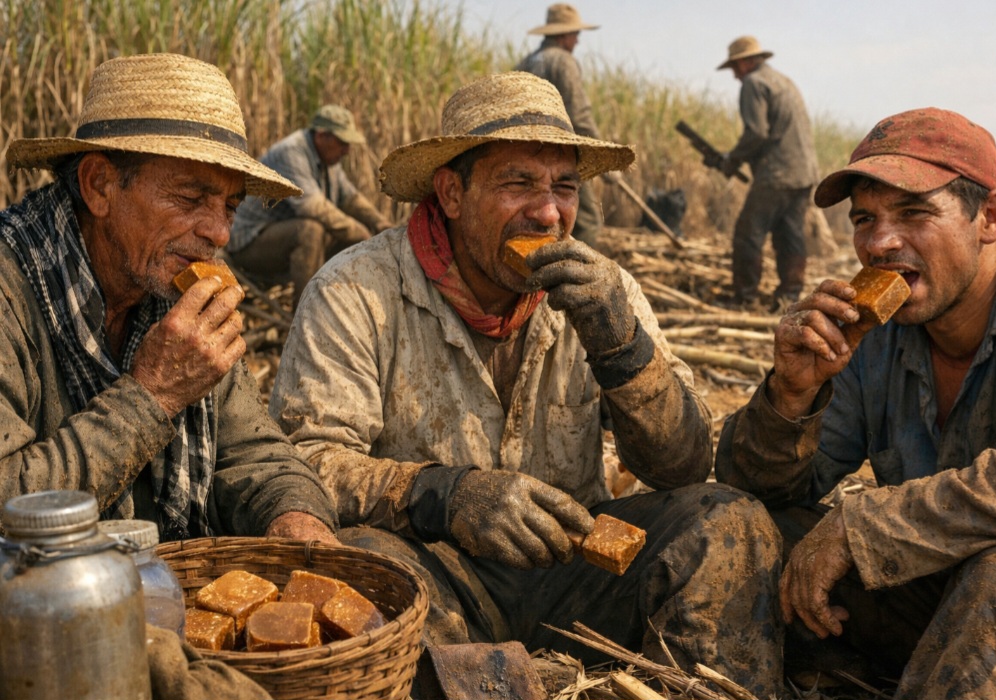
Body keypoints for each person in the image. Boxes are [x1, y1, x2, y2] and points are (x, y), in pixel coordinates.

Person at [268, 71, 784, 696]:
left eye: (563, 187)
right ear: (452, 194)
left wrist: (621, 346)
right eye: (518, 183)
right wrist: (447, 495)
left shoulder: (605, 291)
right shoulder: (355, 289)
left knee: (730, 523)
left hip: (577, 567)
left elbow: (683, 466)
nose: (548, 212)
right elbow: (303, 462)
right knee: (354, 585)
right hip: (435, 573)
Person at [715, 107, 996, 698]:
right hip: (944, 592)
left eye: (914, 213)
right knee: (745, 530)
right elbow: (757, 490)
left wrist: (865, 524)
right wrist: (792, 394)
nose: (879, 243)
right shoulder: (877, 329)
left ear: (990, 217)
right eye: (864, 219)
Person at [0, 53, 338, 545]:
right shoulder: (12, 289)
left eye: (229, 206)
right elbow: (10, 503)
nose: (219, 233)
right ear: (100, 186)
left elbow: (256, 454)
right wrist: (153, 395)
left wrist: (297, 518)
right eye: (189, 198)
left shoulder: (174, 287)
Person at [228, 104, 393, 307]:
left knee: (344, 236)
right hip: (249, 242)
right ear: (322, 136)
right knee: (311, 231)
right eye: (342, 142)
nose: (347, 150)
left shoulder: (329, 160)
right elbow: (312, 207)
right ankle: (305, 315)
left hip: (279, 236)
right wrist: (362, 234)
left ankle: (340, 307)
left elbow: (350, 198)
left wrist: (381, 225)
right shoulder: (291, 152)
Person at [717, 36, 819, 311]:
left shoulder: (754, 83)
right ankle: (790, 295)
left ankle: (744, 298)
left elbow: (757, 133)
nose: (736, 76)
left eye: (735, 68)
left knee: (748, 234)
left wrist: (732, 160)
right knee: (790, 234)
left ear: (746, 62)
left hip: (778, 173)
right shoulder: (783, 81)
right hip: (804, 172)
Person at [517, 4, 605, 247]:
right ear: (563, 34)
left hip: (520, 151)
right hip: (557, 152)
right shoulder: (564, 62)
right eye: (575, 34)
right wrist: (600, 154)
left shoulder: (526, 62)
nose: (577, 41)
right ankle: (576, 277)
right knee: (587, 219)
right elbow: (580, 115)